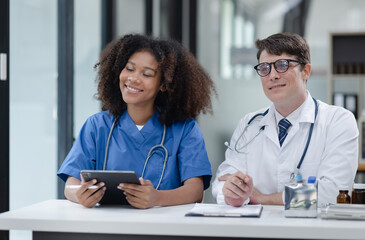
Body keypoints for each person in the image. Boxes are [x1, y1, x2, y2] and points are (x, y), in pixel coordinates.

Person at [57, 34, 216, 209]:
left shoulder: (185, 129)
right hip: (108, 229)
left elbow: (195, 190)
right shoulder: (97, 126)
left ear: (164, 84)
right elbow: (70, 184)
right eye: (129, 69)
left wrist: (157, 198)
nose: (133, 78)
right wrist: (80, 194)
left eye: (147, 74)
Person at [212, 32, 358, 207]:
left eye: (282, 65)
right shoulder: (249, 124)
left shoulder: (338, 121)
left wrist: (263, 199)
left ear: (306, 71)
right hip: (256, 230)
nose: (272, 75)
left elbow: (334, 193)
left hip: (313, 232)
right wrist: (231, 192)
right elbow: (222, 181)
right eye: (265, 68)